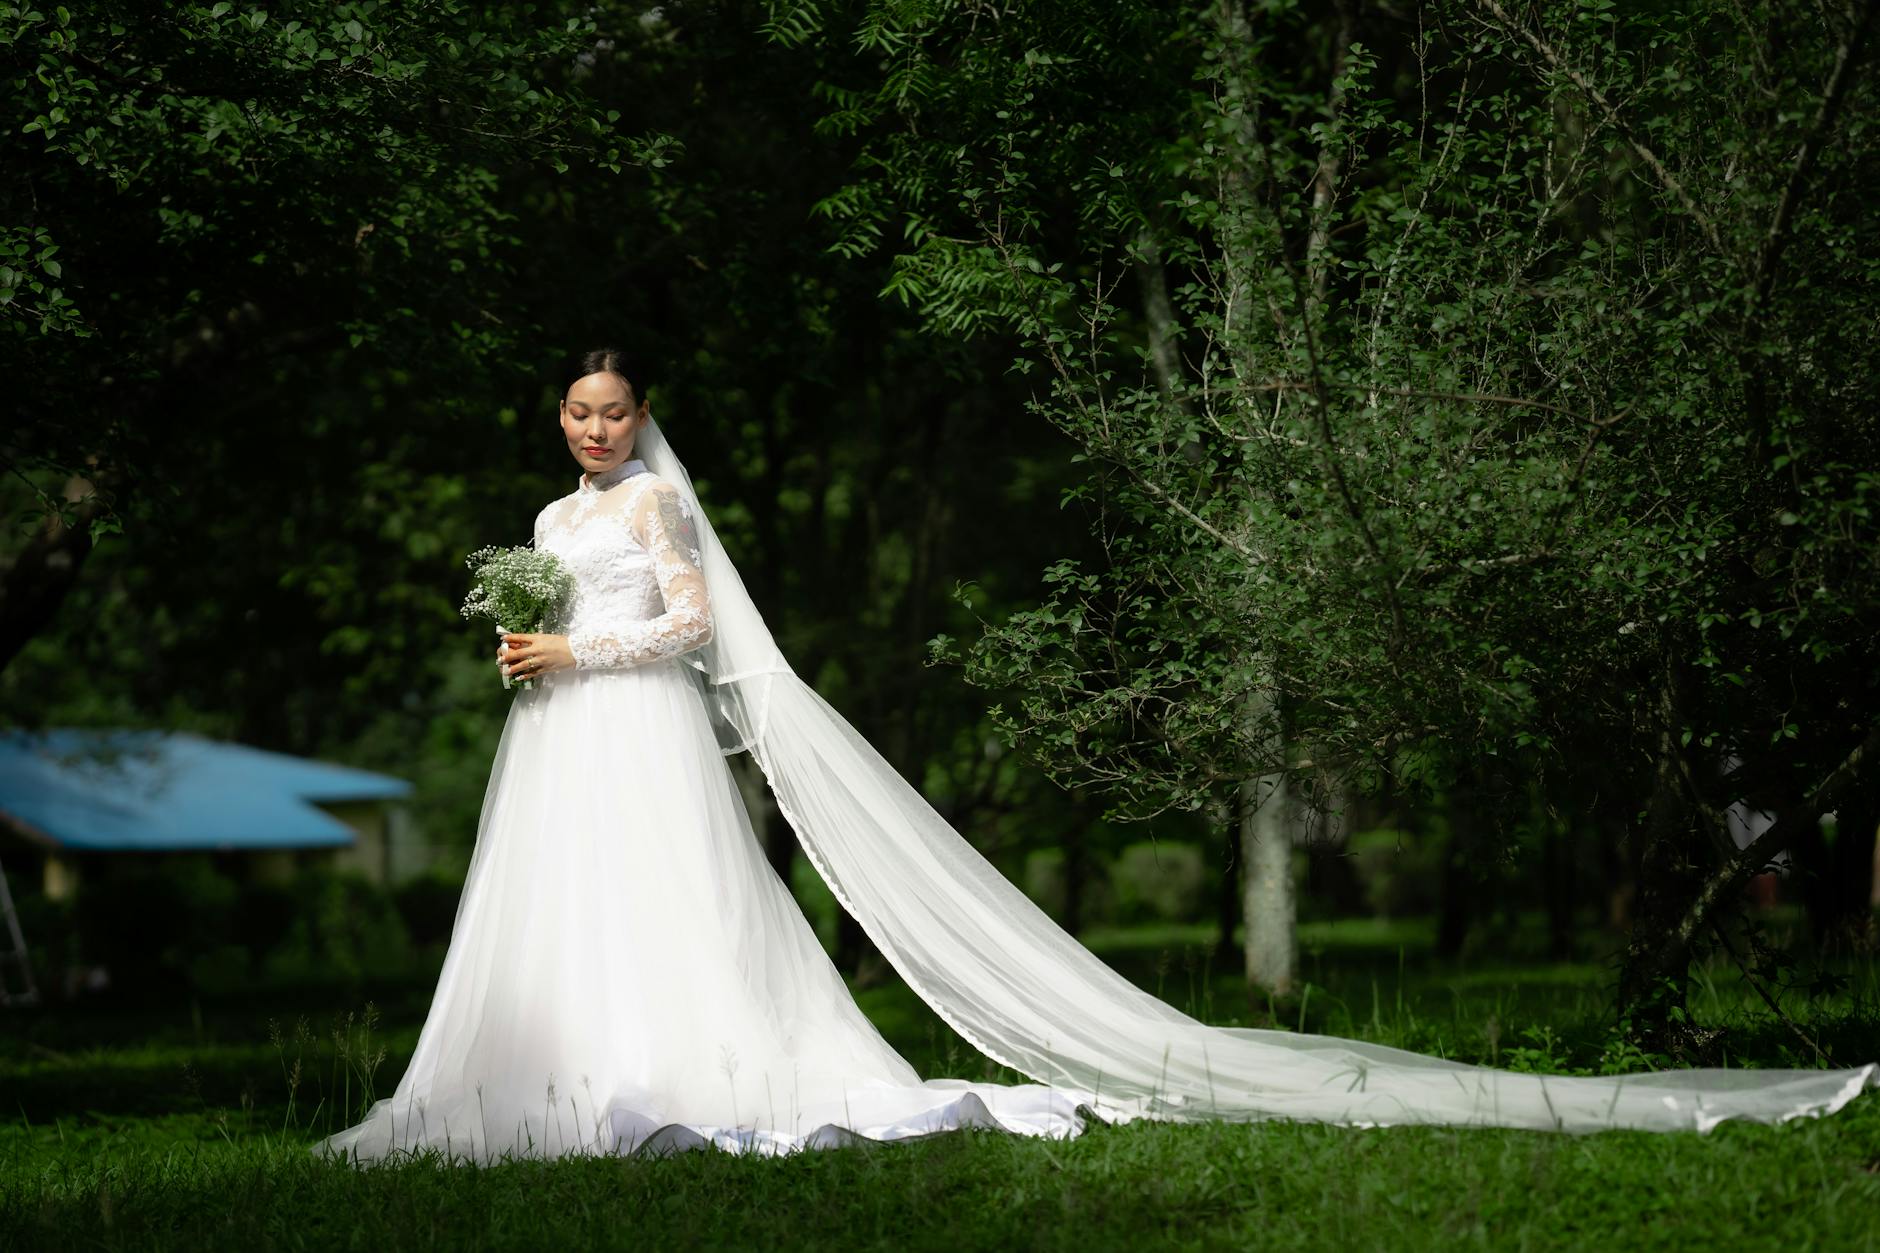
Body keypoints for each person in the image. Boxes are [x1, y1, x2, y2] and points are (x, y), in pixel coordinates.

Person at [316, 351, 1875, 1165]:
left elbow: (693, 624)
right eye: (579, 413)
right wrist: (527, 645)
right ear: (559, 420)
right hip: (558, 738)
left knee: (663, 898)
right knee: (562, 904)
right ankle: (546, 1071)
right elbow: (562, 606)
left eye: (614, 413)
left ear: (640, 417)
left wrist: (580, 653)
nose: (596, 431)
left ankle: (672, 1067)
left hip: (633, 717)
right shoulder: (548, 518)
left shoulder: (658, 507)